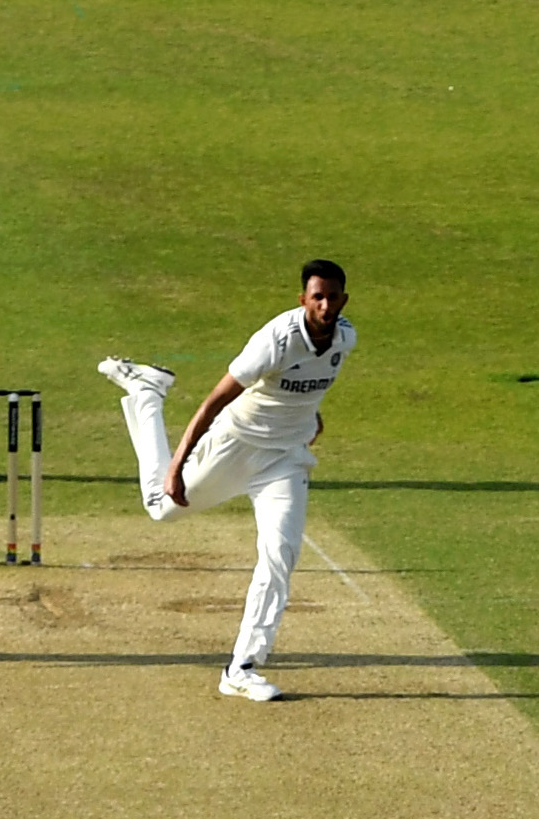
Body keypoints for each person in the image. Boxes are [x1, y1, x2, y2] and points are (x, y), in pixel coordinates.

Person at [98, 259, 355, 702]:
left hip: (286, 463)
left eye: (333, 296)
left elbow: (312, 385)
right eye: (318, 297)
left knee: (280, 556)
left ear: (344, 299)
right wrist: (176, 467)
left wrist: (311, 417)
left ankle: (242, 667)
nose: (326, 305)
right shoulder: (274, 340)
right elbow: (213, 403)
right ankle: (147, 394)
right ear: (303, 300)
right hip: (233, 447)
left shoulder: (345, 338)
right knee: (162, 508)